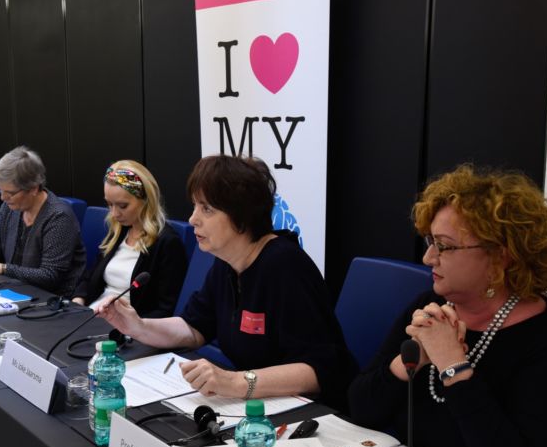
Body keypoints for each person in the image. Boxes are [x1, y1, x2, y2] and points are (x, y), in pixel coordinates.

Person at [347, 164, 547, 447]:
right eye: (430, 242)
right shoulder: (429, 307)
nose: (428, 257)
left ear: (500, 256)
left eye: (444, 246)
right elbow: (361, 408)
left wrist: (453, 367)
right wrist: (408, 361)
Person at [97, 155, 356, 409]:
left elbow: (323, 369)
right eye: (195, 206)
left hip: (312, 412)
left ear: (241, 216)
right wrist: (138, 327)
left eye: (207, 209)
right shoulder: (227, 263)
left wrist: (236, 382)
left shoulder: (286, 266)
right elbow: (194, 328)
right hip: (260, 406)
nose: (193, 219)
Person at [0, 146, 86, 297]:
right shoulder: (10, 206)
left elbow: (49, 275)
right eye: (0, 190)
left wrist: (1, 268)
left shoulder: (58, 216)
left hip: (52, 299)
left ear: (33, 188)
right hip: (17, 291)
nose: (2, 198)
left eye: (10, 193)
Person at [72, 160, 188, 317]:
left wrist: (131, 325)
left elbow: (165, 309)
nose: (114, 214)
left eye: (123, 206)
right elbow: (90, 278)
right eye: (109, 204)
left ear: (146, 200)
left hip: (127, 325)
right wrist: (78, 301)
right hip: (94, 314)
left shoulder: (167, 243)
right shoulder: (119, 231)